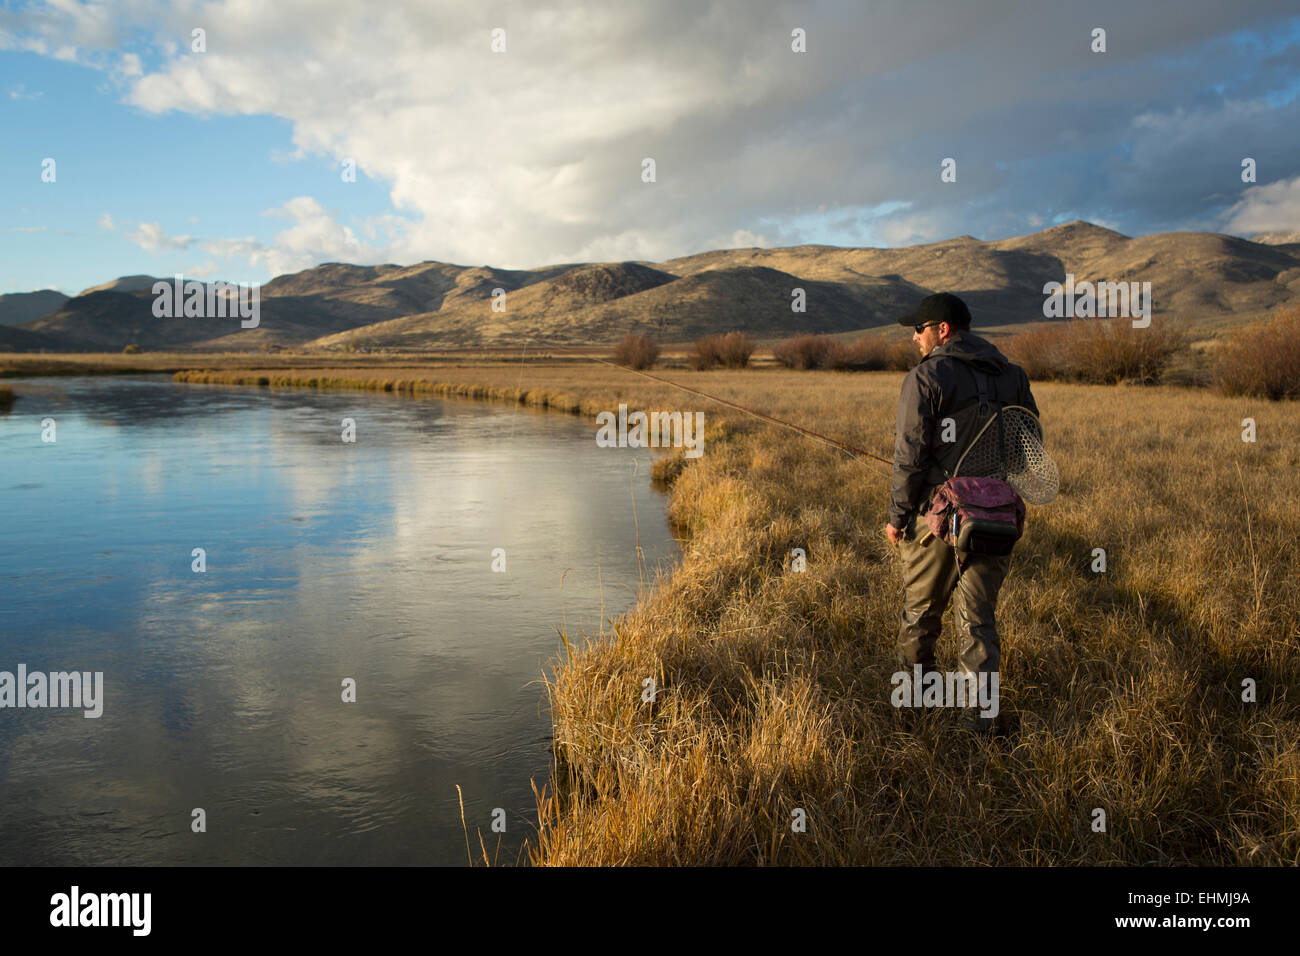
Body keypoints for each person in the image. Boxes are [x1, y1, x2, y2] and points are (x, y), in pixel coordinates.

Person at [883, 293, 1039, 734]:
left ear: (943, 330)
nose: (914, 337)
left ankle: (915, 715)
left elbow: (909, 458)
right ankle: (981, 725)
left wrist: (897, 518)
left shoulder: (926, 376)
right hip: (996, 520)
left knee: (921, 617)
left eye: (919, 328)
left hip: (939, 521)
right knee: (978, 622)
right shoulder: (1013, 375)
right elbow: (1029, 450)